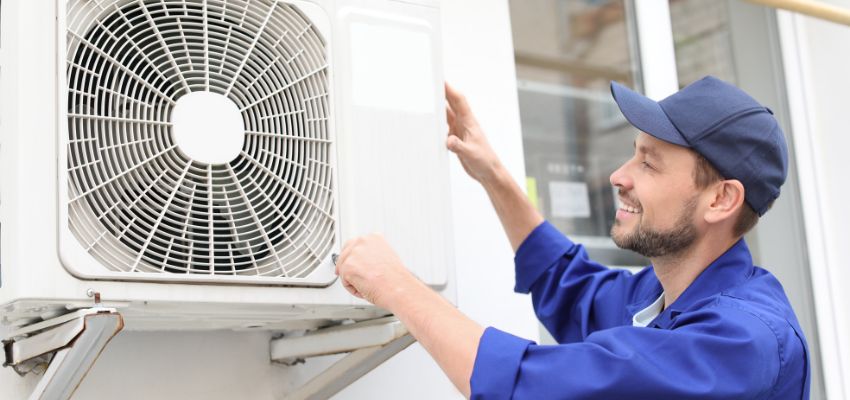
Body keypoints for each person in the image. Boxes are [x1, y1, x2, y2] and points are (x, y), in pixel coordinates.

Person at [334, 76, 810, 399]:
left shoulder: (738, 342)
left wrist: (393, 283)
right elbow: (566, 281)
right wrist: (493, 174)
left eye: (649, 162)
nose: (619, 176)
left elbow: (525, 384)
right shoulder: (660, 298)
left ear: (721, 200)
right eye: (632, 153)